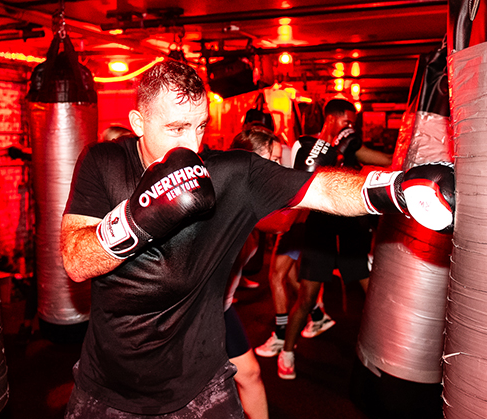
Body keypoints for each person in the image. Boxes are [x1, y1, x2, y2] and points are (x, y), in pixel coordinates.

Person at [60, 59, 454, 417]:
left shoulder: (233, 173)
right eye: (176, 129)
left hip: (200, 380)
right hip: (109, 386)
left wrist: (396, 189)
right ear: (138, 121)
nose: (191, 146)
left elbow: (322, 188)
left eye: (199, 127)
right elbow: (76, 262)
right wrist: (137, 220)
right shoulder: (103, 162)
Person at [277, 98, 393, 379]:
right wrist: (328, 156)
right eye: (346, 122)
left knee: (372, 292)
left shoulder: (352, 145)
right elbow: (294, 184)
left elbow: (389, 162)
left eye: (352, 123)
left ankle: (388, 352)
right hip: (320, 225)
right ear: (331, 118)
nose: (350, 128)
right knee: (307, 295)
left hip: (351, 224)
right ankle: (287, 352)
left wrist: (351, 150)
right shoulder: (304, 145)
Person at [222, 127, 284, 419]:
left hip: (220, 307)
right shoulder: (231, 200)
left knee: (248, 375)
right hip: (194, 311)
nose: (280, 168)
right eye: (274, 160)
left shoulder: (253, 201)